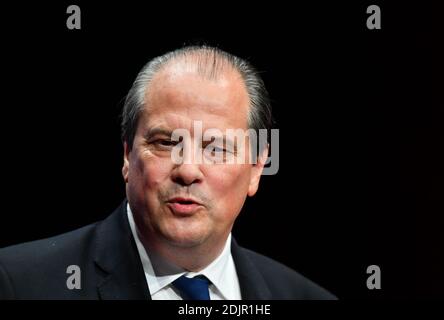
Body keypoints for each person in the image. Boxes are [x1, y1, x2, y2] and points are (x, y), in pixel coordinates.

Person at [0, 46, 336, 300]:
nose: (188, 170)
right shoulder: (18, 284)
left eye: (216, 148)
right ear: (127, 155)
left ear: (256, 169)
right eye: (164, 143)